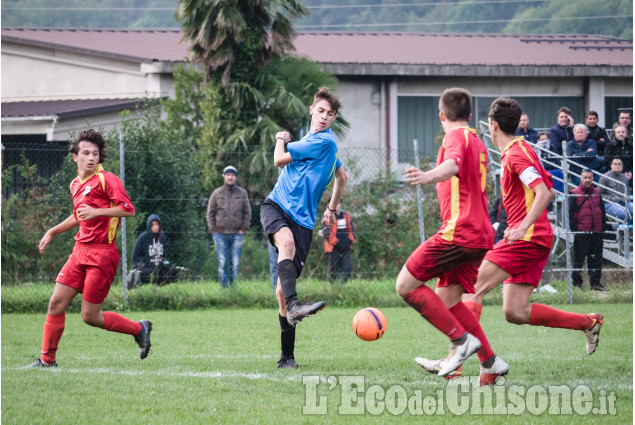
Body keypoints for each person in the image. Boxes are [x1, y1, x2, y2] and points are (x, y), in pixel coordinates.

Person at [461, 98, 603, 366]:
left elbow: (543, 193)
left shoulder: (515, 154)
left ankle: (468, 364)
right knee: (514, 311)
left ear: (492, 125)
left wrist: (521, 227)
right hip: (534, 238)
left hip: (526, 238)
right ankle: (589, 322)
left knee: (472, 288)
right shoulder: (521, 149)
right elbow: (548, 190)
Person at [397, 88, 507, 387]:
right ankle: (490, 361)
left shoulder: (455, 137)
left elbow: (453, 166)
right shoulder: (479, 142)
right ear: (470, 115)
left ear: (441, 115)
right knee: (448, 298)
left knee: (405, 285)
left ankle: (460, 342)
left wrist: (426, 175)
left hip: (460, 232)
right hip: (480, 234)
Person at [24, 129, 152, 368]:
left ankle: (139, 329)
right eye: (86, 153)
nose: (92, 158)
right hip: (80, 251)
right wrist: (52, 231)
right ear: (75, 156)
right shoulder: (75, 184)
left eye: (95, 154)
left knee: (89, 317)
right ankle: (47, 361)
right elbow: (78, 215)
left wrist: (98, 212)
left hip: (102, 254)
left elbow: (128, 209)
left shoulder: (107, 179)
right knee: (56, 302)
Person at [260, 86, 347, 368]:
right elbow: (341, 176)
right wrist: (331, 209)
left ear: (333, 118)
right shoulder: (318, 142)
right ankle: (296, 305)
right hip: (276, 205)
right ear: (312, 110)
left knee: (280, 293)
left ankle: (287, 357)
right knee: (285, 245)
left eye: (330, 114)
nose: (324, 117)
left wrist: (279, 138)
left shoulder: (322, 142)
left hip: (303, 221)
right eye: (320, 111)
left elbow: (278, 158)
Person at [206, 165, 252, 288]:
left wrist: (243, 229)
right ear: (224, 177)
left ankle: (234, 290)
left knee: (235, 264)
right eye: (228, 175)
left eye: (232, 175)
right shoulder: (216, 193)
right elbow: (210, 213)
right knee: (222, 262)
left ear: (235, 177)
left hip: (237, 234)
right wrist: (213, 230)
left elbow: (247, 213)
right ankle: (224, 289)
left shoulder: (242, 193)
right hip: (220, 234)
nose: (230, 177)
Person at [569, 169, 607, 291]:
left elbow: (602, 211)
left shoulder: (597, 192)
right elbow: (570, 214)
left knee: (596, 259)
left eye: (590, 178)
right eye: (585, 177)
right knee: (578, 260)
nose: (587, 180)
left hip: (596, 232)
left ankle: (595, 284)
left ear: (593, 178)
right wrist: (574, 230)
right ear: (581, 178)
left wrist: (602, 228)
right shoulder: (574, 193)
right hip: (582, 232)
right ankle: (577, 285)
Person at [128, 214, 179, 288]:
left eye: (157, 224)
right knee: (150, 273)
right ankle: (147, 286)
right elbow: (135, 255)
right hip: (146, 269)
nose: (155, 227)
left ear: (160, 225)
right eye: (152, 225)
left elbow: (164, 255)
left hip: (159, 268)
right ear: (149, 226)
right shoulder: (143, 237)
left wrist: (163, 261)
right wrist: (143, 265)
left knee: (174, 272)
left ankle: (159, 286)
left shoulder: (163, 238)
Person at [319, 200, 355, 283]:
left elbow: (351, 228)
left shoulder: (345, 215)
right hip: (333, 246)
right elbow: (326, 233)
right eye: (334, 203)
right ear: (329, 204)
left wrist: (350, 240)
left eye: (338, 203)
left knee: (347, 267)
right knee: (334, 268)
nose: (336, 205)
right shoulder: (327, 216)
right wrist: (336, 242)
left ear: (341, 204)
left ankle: (342, 285)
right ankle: (333, 286)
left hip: (346, 245)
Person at [599, 158, 633, 222]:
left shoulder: (624, 178)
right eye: (615, 164)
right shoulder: (604, 177)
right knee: (623, 213)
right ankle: (618, 228)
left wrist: (626, 199)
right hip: (609, 204)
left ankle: (628, 229)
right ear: (611, 166)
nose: (617, 166)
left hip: (623, 202)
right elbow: (600, 195)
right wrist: (613, 198)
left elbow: (628, 193)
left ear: (622, 166)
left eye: (619, 164)